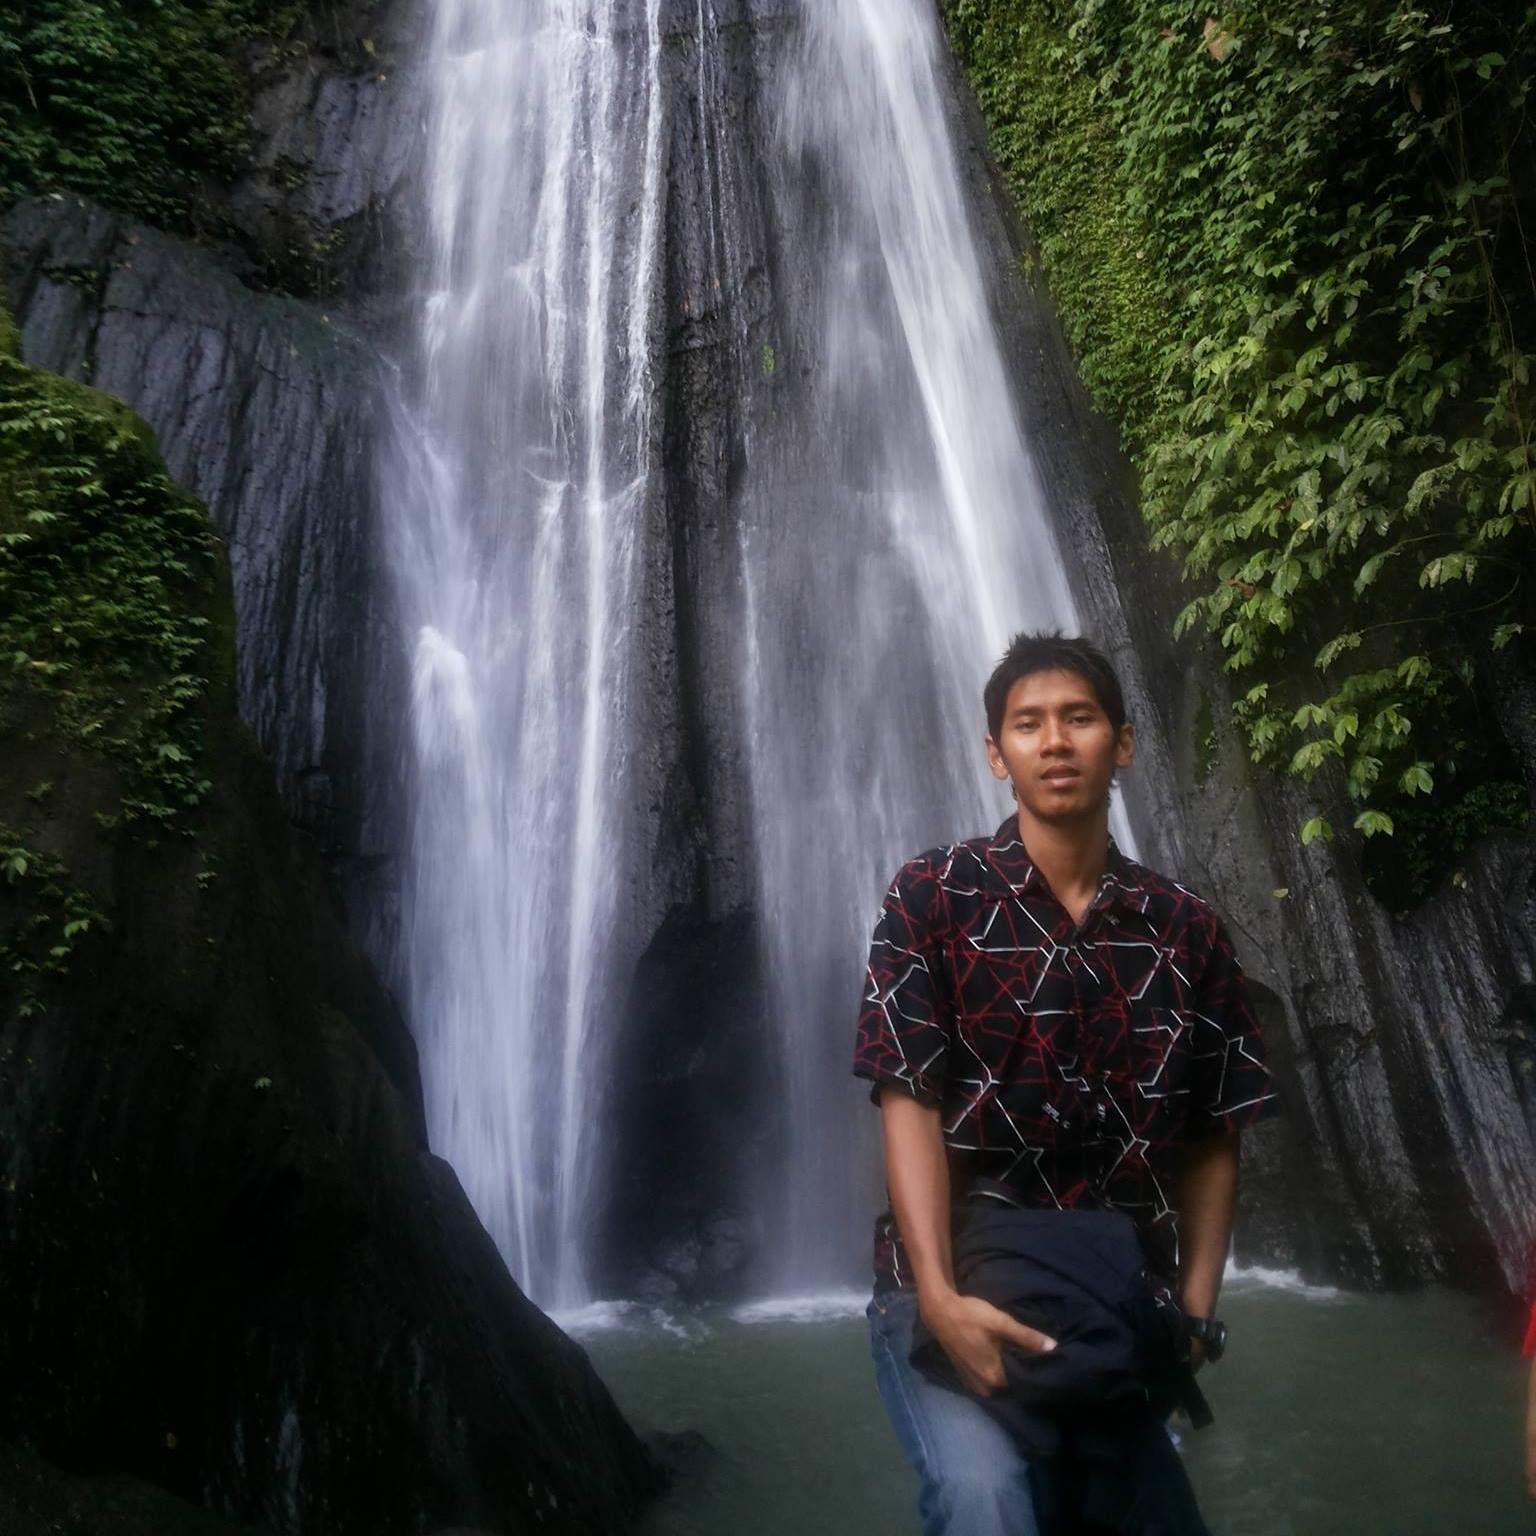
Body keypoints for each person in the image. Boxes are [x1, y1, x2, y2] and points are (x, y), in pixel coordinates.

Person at [853, 632, 1279, 1536]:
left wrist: (1196, 1311)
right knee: (987, 1501)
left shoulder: (1185, 930)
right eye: (1029, 724)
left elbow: (1213, 1134)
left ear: (1122, 742)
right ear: (994, 752)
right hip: (954, 1288)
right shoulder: (932, 899)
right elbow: (909, 1103)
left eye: (1078, 719)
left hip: (1114, 1306)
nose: (1054, 742)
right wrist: (937, 1299)